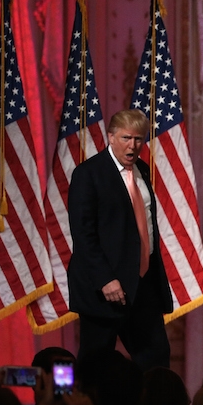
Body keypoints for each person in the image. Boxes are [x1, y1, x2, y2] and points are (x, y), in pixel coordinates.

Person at [67, 109, 172, 371]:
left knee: (156, 361)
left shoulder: (143, 171)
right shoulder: (88, 174)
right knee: (94, 366)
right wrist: (105, 279)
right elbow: (84, 235)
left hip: (142, 285)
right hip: (105, 290)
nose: (133, 145)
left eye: (138, 139)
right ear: (111, 137)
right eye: (126, 138)